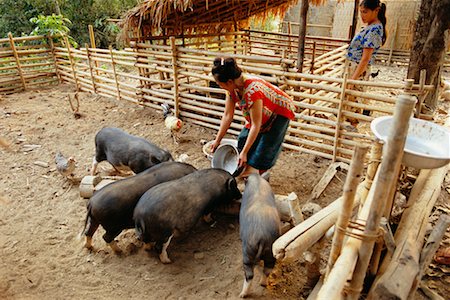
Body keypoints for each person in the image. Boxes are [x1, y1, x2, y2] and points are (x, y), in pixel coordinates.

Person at [210, 57, 296, 178]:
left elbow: (256, 125)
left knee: (266, 146)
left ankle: (258, 173)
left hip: (279, 111)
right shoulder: (232, 89)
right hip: (261, 112)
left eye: (220, 84)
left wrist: (245, 152)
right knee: (243, 139)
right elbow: (228, 115)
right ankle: (247, 167)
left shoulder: (252, 90)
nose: (220, 87)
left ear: (229, 82)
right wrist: (217, 140)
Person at [346, 0, 387, 123]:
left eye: (365, 12)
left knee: (353, 101)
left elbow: (365, 59)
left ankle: (350, 131)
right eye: (361, 12)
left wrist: (353, 79)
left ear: (376, 11)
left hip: (358, 70)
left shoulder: (375, 30)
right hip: (353, 68)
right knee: (348, 100)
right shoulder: (370, 27)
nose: (362, 15)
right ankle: (344, 129)